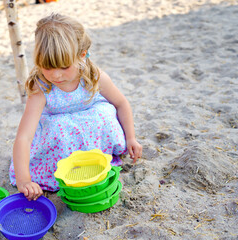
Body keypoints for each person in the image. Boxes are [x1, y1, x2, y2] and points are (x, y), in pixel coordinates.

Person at [9, 13, 142, 201]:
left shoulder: (94, 76)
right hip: (61, 141)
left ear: (81, 56)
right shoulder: (42, 87)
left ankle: (100, 161)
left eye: (64, 67)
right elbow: (24, 136)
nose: (56, 75)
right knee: (60, 127)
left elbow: (121, 103)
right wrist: (24, 180)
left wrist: (131, 138)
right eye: (47, 67)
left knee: (104, 114)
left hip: (92, 132)